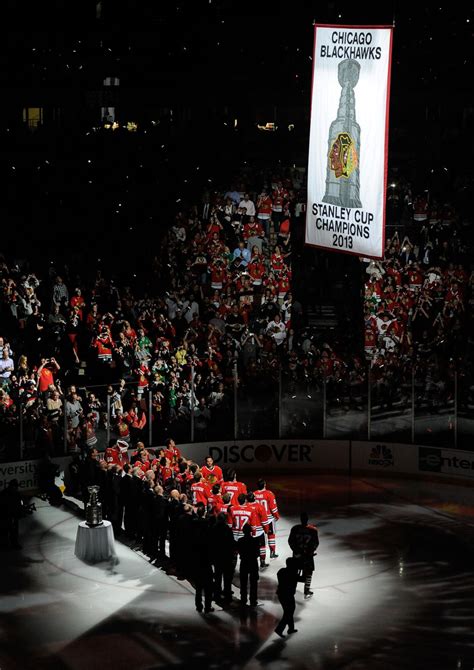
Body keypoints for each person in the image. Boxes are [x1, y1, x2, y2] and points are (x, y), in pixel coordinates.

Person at [288, 511, 319, 599]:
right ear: (307, 519)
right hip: (307, 556)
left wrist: (296, 551)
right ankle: (306, 591)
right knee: (309, 572)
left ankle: (292, 589)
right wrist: (310, 551)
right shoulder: (313, 530)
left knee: (295, 572)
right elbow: (315, 543)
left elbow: (291, 541)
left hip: (297, 555)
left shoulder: (295, 528)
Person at [274, 557, 304, 637]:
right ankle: (279, 629)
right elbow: (303, 579)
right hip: (288, 595)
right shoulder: (292, 574)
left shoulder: (282, 571)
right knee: (289, 612)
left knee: (288, 611)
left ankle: (291, 628)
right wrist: (304, 570)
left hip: (281, 594)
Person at [236, 523, 260, 607]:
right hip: (253, 562)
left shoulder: (240, 541)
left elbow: (238, 551)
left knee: (243, 582)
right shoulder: (255, 541)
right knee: (253, 583)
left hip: (244, 562)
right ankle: (253, 600)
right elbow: (257, 553)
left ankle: (243, 599)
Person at [0, 479, 24, 549]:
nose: (16, 488)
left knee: (12, 530)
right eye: (15, 486)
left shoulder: (15, 494)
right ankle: (5, 545)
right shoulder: (5, 494)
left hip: (12, 515)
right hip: (6, 515)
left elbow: (19, 504)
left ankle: (13, 544)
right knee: (6, 530)